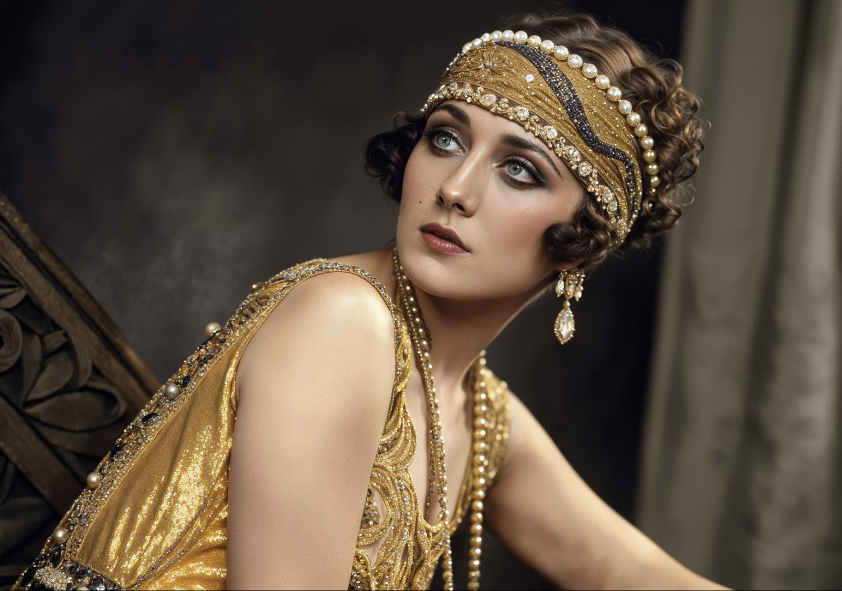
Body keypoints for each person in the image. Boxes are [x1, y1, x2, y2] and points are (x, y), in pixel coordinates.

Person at [15, 11, 715, 591]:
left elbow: (624, 570)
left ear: (583, 240)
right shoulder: (342, 321)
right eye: (446, 138)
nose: (455, 188)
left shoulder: (479, 414)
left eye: (519, 170)